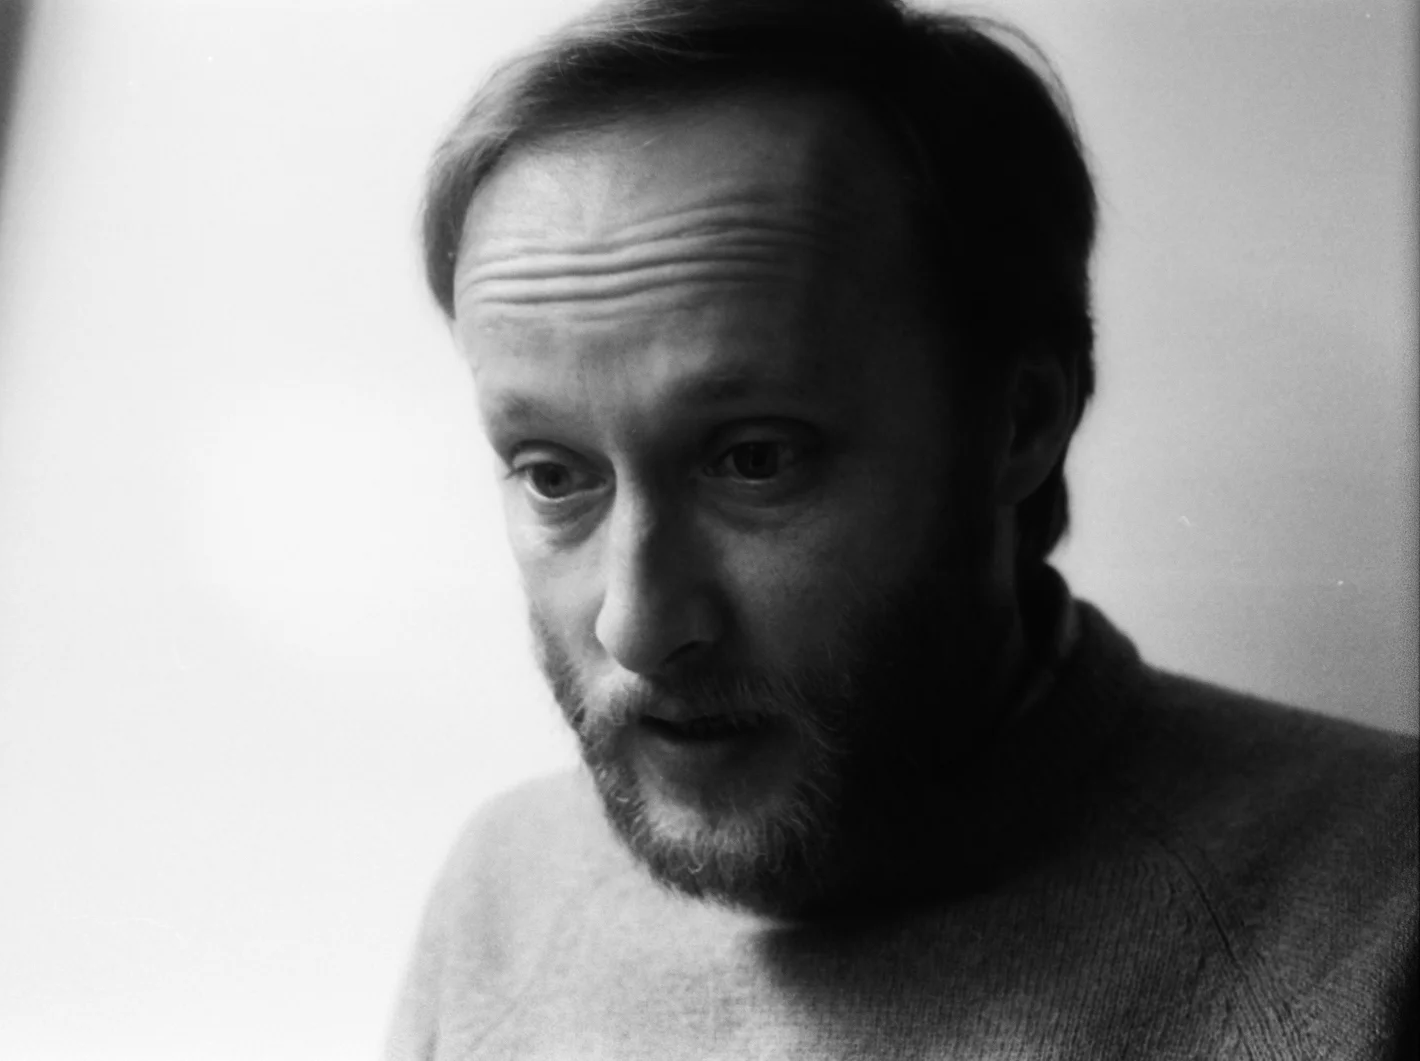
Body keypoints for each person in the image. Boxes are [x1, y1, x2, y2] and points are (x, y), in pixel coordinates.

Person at [386, 0, 1418, 1056]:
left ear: (1019, 422)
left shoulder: (1382, 924)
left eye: (755, 458)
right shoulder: (502, 892)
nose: (639, 627)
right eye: (553, 475)